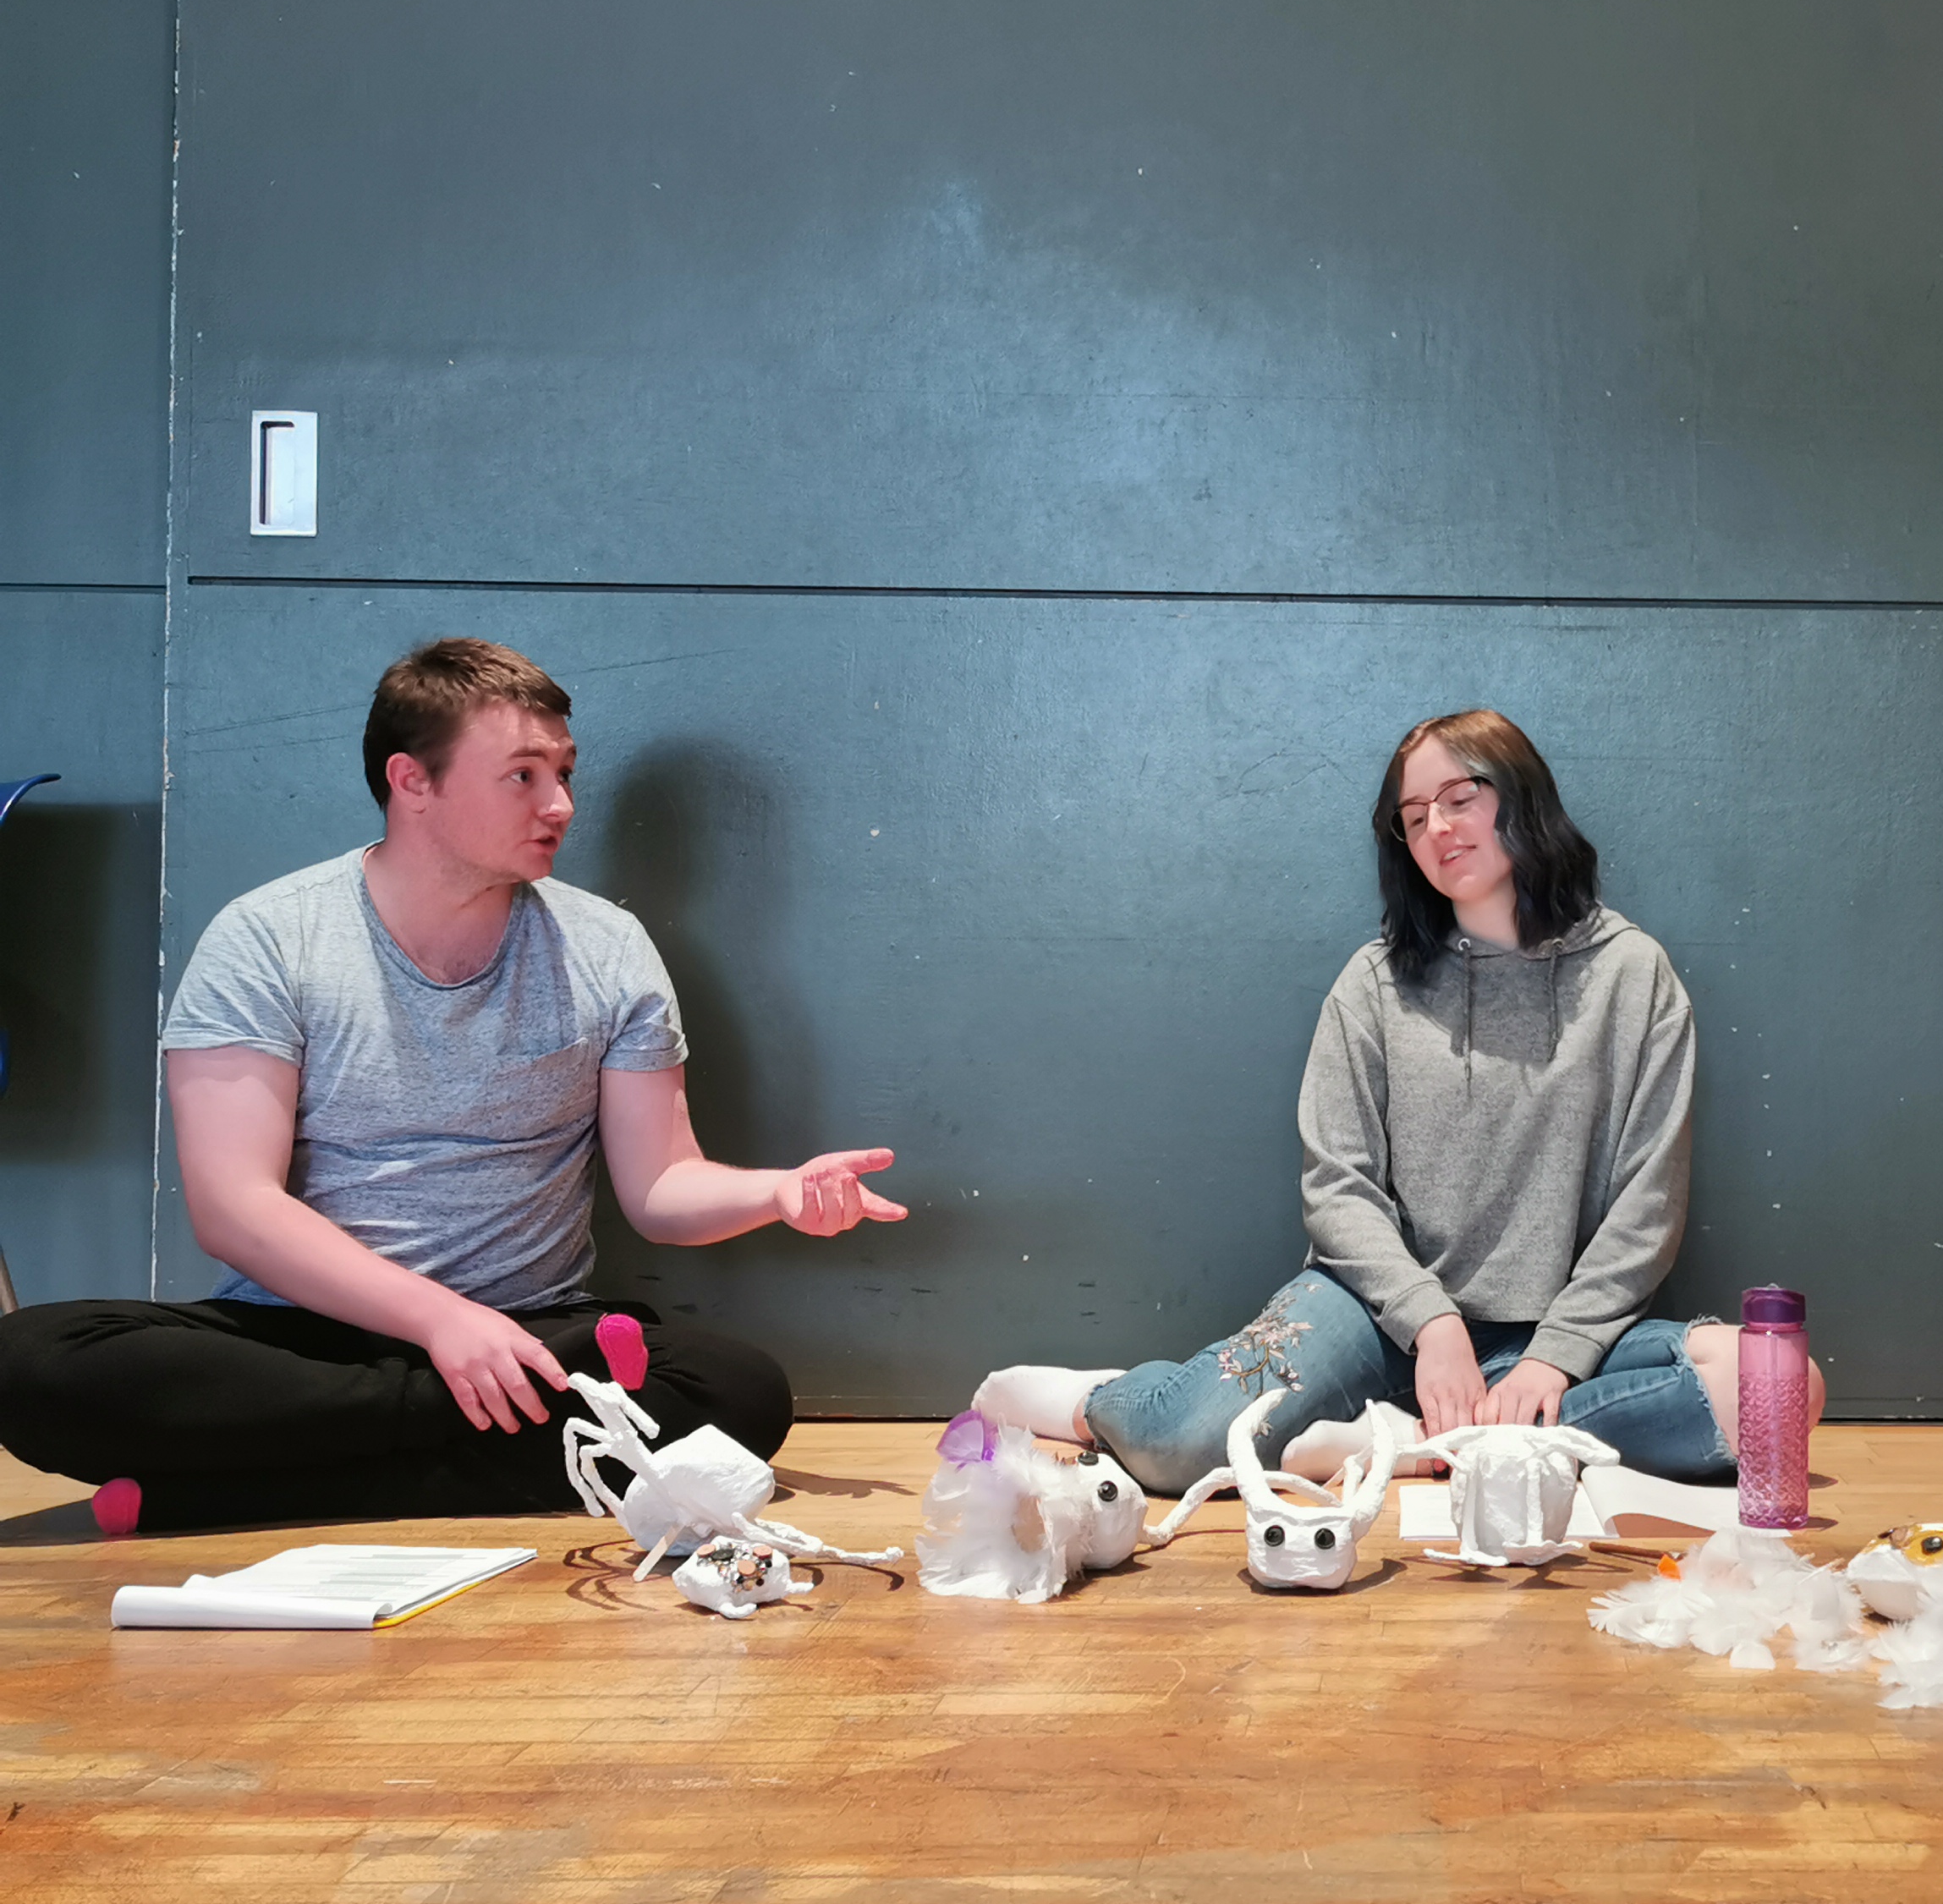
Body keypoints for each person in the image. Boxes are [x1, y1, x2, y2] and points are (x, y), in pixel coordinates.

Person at [0, 638, 908, 1531]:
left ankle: (248, 1493)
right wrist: (441, 1327)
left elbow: (662, 1185)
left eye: (564, 772)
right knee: (31, 1364)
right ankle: (439, 1445)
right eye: (522, 775)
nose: (559, 803)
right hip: (304, 1337)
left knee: (736, 1394)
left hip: (539, 1333)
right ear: (413, 782)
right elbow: (234, 1209)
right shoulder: (269, 938)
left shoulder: (607, 948)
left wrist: (779, 1192)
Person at [987, 707, 1816, 1498]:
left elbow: (1648, 1205)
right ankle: (1108, 1400)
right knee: (1184, 1446)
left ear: (1523, 798)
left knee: (1785, 1389)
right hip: (1370, 1315)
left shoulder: (1634, 977)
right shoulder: (1374, 984)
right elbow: (1336, 1186)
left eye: (1462, 800)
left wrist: (1554, 1360)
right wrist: (1434, 1326)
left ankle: (1409, 1444)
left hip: (1547, 1337)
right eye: (1414, 818)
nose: (1439, 831)